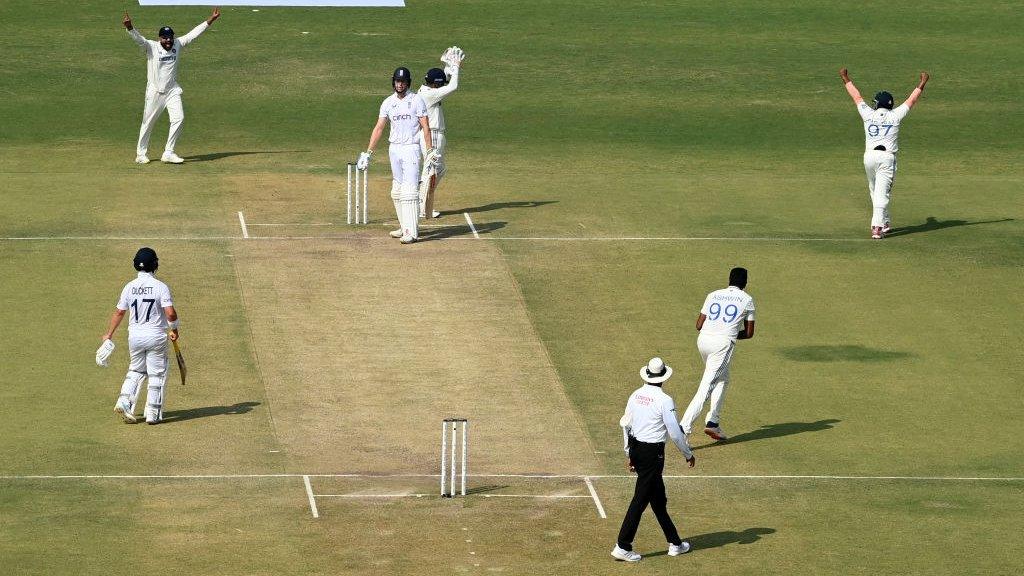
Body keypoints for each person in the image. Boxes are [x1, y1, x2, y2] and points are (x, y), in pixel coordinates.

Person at [612, 357, 696, 563]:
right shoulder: (664, 400)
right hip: (653, 455)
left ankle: (675, 543)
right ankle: (623, 546)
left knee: (658, 500)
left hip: (638, 450)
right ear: (663, 377)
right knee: (639, 501)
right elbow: (675, 433)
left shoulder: (635, 395)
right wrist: (688, 453)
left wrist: (630, 455)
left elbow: (626, 425)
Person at [840, 68, 930, 239]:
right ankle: (877, 227)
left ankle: (885, 221)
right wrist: (922, 82)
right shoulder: (895, 116)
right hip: (887, 158)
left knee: (874, 190)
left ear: (876, 104)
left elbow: (856, 97)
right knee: (882, 193)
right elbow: (912, 100)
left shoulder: (868, 114)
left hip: (869, 158)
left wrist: (845, 78)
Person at [123, 8, 221, 164]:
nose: (168, 41)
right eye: (165, 38)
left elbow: (193, 34)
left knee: (179, 118)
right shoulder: (151, 47)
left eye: (170, 37)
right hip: (155, 92)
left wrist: (211, 20)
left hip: (172, 90)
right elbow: (139, 40)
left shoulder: (178, 44)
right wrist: (129, 28)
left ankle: (168, 152)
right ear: (160, 38)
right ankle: (141, 154)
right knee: (148, 122)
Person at [97, 248, 179, 425]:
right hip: (155, 336)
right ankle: (152, 414)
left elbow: (119, 312)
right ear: (155, 265)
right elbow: (170, 314)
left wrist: (108, 334)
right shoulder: (160, 287)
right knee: (157, 374)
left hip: (134, 337)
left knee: (136, 370)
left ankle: (124, 402)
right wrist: (174, 329)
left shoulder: (129, 287)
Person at [357, 67, 435, 244]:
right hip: (394, 149)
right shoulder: (387, 103)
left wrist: (429, 151)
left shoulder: (416, 100)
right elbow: (379, 128)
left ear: (408, 83)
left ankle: (412, 232)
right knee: (397, 191)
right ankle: (404, 225)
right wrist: (368, 152)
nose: (400, 84)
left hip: (411, 149)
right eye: (397, 81)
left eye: (403, 82)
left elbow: (426, 127)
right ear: (393, 82)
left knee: (409, 191)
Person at [679, 267, 755, 442]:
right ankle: (683, 429)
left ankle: (713, 422)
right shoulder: (748, 299)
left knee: (722, 378)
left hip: (703, 341)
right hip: (722, 345)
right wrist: (729, 334)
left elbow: (699, 325)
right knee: (706, 387)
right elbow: (749, 333)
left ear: (729, 279)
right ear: (745, 283)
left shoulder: (713, 294)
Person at [416, 46, 465, 219]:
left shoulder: (428, 90)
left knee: (439, 170)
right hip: (433, 134)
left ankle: (423, 198)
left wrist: (447, 68)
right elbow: (453, 86)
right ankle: (422, 206)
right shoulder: (430, 95)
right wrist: (456, 67)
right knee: (431, 171)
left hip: (434, 134)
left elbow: (444, 82)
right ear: (435, 84)